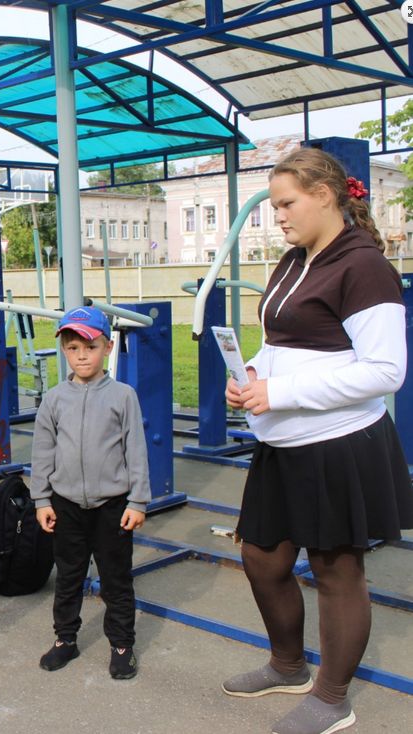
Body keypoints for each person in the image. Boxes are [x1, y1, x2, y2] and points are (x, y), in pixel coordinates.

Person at [223, 147, 413, 734]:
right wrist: (253, 372)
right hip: (283, 443)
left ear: (325, 195)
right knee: (260, 554)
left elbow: (386, 372)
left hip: (339, 442)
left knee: (336, 571)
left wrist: (279, 393)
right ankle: (287, 664)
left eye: (286, 203)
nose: (276, 215)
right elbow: (281, 343)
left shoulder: (364, 267)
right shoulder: (292, 260)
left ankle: (333, 697)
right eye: (274, 205)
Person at [29, 306, 150, 680]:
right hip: (66, 506)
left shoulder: (123, 395)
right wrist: (42, 499)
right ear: (65, 350)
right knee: (67, 577)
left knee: (116, 580)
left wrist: (138, 500)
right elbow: (42, 450)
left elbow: (136, 449)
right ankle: (66, 639)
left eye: (90, 347)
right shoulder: (54, 399)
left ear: (107, 347)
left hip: (112, 507)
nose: (82, 355)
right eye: (73, 347)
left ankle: (122, 644)